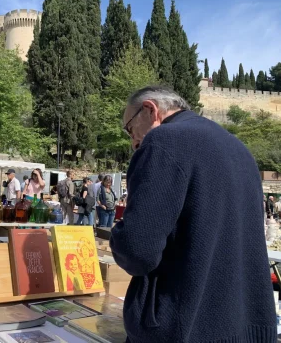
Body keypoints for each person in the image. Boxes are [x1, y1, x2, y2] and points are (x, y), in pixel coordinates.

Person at [110, 86, 276, 342]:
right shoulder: (240, 151)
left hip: (182, 326)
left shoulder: (164, 140)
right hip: (242, 327)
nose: (133, 142)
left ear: (150, 110)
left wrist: (118, 233)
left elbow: (137, 250)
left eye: (130, 129)